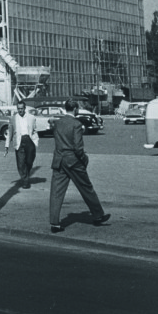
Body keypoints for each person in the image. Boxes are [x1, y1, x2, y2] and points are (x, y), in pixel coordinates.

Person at [49, 98, 111, 233]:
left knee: (56, 192)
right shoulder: (76, 124)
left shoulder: (58, 123)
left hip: (59, 160)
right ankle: (98, 215)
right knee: (86, 187)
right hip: (73, 161)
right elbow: (78, 147)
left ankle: (54, 223)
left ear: (65, 109)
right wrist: (84, 159)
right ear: (76, 109)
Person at [3, 100, 39, 187]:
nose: (20, 110)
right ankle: (25, 181)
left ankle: (26, 173)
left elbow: (34, 130)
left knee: (29, 161)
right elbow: (10, 132)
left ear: (25, 108)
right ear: (17, 109)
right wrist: (7, 145)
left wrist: (36, 141)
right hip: (19, 141)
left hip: (29, 140)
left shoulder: (31, 117)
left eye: (22, 108)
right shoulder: (13, 118)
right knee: (20, 163)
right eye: (18, 109)